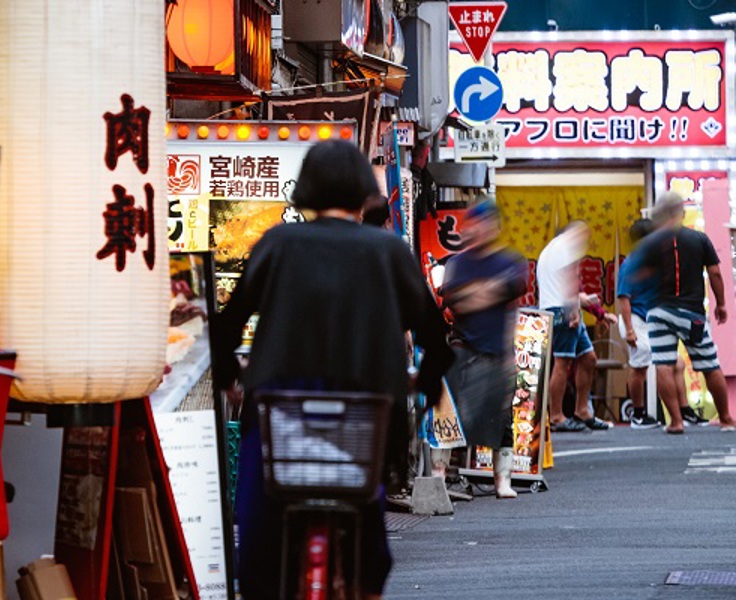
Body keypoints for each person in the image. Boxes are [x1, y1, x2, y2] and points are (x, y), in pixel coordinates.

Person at [212, 141, 453, 599]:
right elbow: (433, 337)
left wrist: (231, 379)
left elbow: (227, 325)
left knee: (260, 524)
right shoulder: (388, 251)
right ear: (364, 192)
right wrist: (426, 382)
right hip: (363, 420)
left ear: (305, 190)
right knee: (366, 527)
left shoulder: (278, 244)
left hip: (278, 414)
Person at [438, 199, 528, 498]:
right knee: (449, 412)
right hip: (462, 347)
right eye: (476, 223)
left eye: (488, 222)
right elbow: (456, 301)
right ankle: (439, 475)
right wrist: (490, 290)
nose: (481, 228)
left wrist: (475, 293)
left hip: (498, 350)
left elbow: (505, 292)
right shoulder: (456, 263)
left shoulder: (510, 261)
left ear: (496, 226)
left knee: (502, 418)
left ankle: (503, 480)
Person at [636, 192, 736, 433]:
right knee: (710, 364)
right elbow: (714, 274)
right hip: (692, 313)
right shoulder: (699, 239)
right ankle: (726, 418)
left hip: (659, 311)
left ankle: (676, 422)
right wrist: (721, 304)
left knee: (663, 364)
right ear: (681, 212)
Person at [537, 221, 614, 431]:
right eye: (583, 234)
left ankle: (582, 411)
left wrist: (597, 312)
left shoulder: (551, 249)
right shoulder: (565, 247)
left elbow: (571, 284)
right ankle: (556, 416)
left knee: (588, 359)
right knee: (562, 363)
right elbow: (570, 279)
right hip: (563, 310)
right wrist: (573, 308)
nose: (584, 239)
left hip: (562, 307)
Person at [617, 219, 661, 429]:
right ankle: (638, 415)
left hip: (647, 319)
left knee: (649, 365)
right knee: (639, 366)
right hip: (634, 319)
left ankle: (645, 414)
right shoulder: (631, 264)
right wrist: (630, 330)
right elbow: (623, 298)